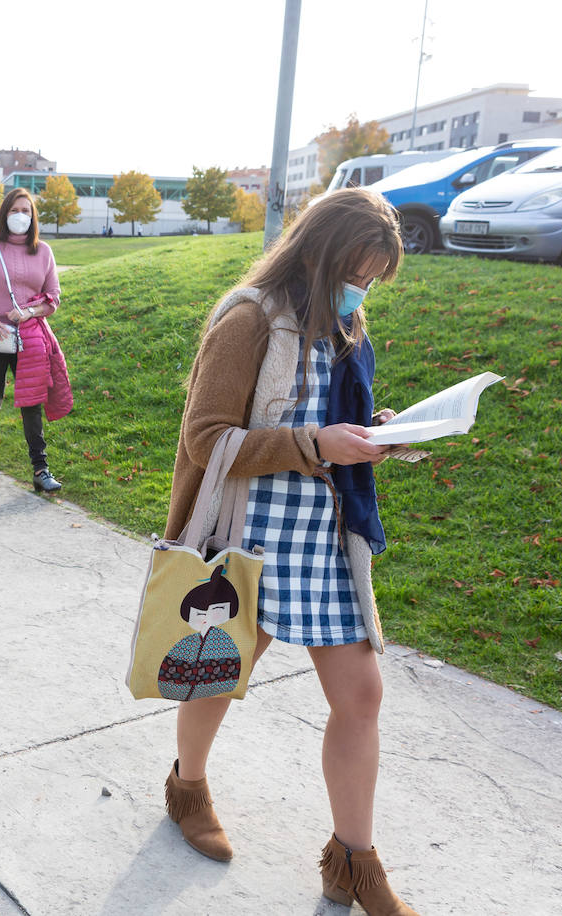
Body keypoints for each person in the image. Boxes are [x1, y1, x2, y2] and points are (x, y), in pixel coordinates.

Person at [159, 187, 417, 915]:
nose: (360, 291)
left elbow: (339, 429)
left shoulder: (347, 328)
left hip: (324, 539)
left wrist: (378, 434)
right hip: (248, 536)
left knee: (361, 695)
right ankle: (187, 788)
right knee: (215, 674)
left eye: (371, 280)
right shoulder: (248, 319)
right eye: (356, 273)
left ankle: (353, 865)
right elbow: (205, 439)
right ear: (320, 251)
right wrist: (313, 444)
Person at [0, 188, 68, 491]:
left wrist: (30, 311)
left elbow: (53, 299)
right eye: (14, 210)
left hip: (29, 339)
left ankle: (40, 469)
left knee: (32, 403)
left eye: (26, 211)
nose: (21, 216)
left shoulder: (43, 251)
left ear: (33, 217)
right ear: (4, 213)